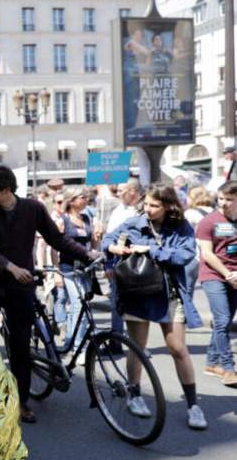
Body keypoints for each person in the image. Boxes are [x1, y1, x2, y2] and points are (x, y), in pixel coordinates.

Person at [0, 166, 96, 424]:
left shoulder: (33, 208)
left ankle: (21, 402)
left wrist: (87, 254)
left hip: (20, 287)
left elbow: (56, 239)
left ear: (6, 190)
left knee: (20, 348)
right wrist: (11, 267)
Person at [103, 183, 207, 430]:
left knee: (178, 348)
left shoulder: (180, 226)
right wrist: (113, 247)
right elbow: (107, 239)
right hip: (137, 292)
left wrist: (152, 250)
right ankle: (135, 394)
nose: (148, 209)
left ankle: (193, 404)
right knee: (137, 348)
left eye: (155, 205)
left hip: (168, 294)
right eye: (146, 204)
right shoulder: (134, 223)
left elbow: (185, 255)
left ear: (169, 206)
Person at [195, 181, 237, 386]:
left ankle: (211, 362)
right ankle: (229, 368)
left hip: (234, 275)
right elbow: (207, 254)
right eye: (221, 198)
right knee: (222, 320)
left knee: (226, 320)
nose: (224, 203)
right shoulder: (209, 221)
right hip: (213, 274)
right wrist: (228, 274)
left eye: (229, 199)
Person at [53, 187, 97, 364]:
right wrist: (57, 273)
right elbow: (54, 248)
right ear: (71, 200)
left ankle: (70, 343)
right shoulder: (62, 220)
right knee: (79, 305)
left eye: (87, 197)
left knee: (82, 306)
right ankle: (79, 347)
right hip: (68, 267)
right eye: (82, 197)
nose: (86, 199)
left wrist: (97, 240)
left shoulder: (87, 218)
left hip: (85, 268)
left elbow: (92, 243)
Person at [104, 179, 143, 342]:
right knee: (116, 303)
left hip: (141, 264)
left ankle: (139, 344)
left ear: (133, 191)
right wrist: (108, 264)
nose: (118, 194)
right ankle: (117, 340)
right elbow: (109, 239)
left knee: (138, 305)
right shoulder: (118, 210)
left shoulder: (142, 210)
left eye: (122, 190)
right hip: (120, 263)